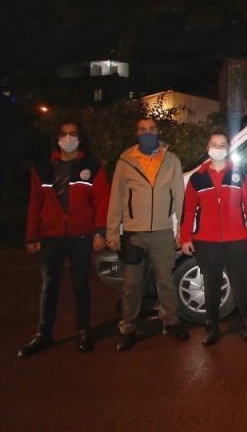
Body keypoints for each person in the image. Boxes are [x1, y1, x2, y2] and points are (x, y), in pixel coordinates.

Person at [19, 122, 110, 357]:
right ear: (57, 138)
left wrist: (100, 232)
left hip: (81, 234)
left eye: (73, 134)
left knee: (81, 284)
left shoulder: (91, 166)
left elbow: (102, 200)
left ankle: (83, 330)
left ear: (80, 138)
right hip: (51, 235)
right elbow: (35, 203)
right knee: (49, 285)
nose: (68, 138)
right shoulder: (42, 169)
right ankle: (43, 334)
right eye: (64, 134)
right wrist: (32, 236)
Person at [106, 117, 188, 351]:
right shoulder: (126, 160)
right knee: (132, 284)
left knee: (166, 280)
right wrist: (112, 231)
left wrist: (182, 231)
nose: (147, 133)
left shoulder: (171, 160)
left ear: (158, 131)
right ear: (137, 133)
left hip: (163, 232)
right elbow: (116, 197)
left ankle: (171, 322)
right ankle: (128, 327)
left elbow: (180, 197)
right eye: (142, 130)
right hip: (134, 232)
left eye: (151, 129)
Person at [180, 132, 247, 346]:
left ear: (228, 148)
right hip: (206, 241)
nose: (218, 148)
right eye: (214, 144)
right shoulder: (197, 178)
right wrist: (185, 237)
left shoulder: (239, 174)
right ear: (208, 148)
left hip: (237, 239)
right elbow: (188, 211)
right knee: (211, 285)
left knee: (241, 284)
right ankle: (212, 327)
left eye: (222, 144)